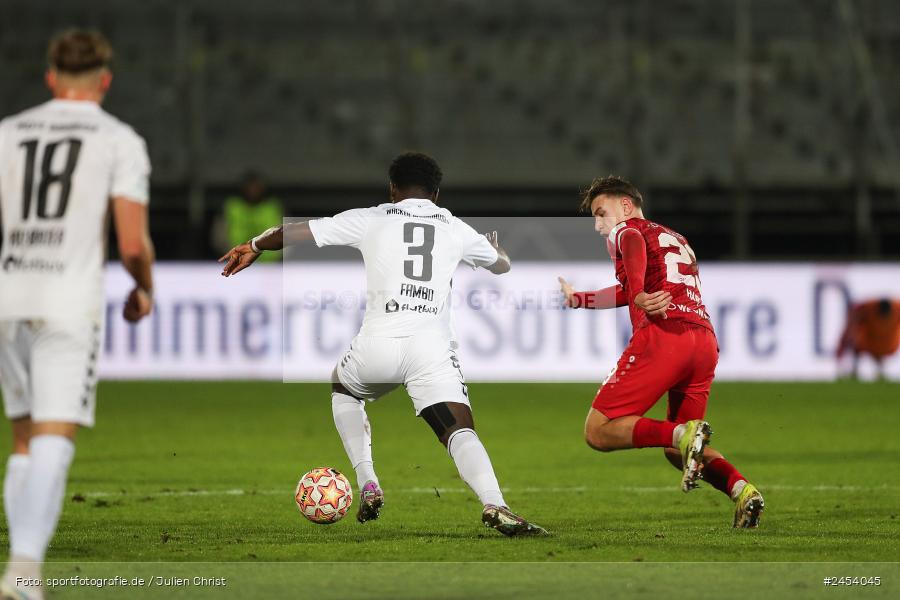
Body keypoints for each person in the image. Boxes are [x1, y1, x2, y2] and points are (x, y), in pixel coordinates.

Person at [220, 152, 545, 536]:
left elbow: (294, 231)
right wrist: (494, 246)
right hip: (431, 352)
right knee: (459, 432)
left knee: (344, 387)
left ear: (392, 189)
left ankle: (369, 481)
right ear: (436, 193)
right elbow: (502, 265)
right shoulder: (456, 227)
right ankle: (495, 503)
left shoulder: (371, 218)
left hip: (377, 346)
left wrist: (254, 245)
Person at [0, 30, 155, 598]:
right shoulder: (118, 140)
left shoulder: (8, 133)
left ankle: (22, 571)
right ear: (105, 81)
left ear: (50, 77)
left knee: (23, 439)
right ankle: (23, 573)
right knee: (54, 434)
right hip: (68, 300)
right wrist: (144, 288)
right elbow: (132, 244)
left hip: (9, 295)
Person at [558, 176, 763, 528]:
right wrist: (582, 299)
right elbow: (629, 290)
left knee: (598, 430)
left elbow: (632, 245)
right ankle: (743, 490)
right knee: (676, 451)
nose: (598, 225)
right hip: (703, 343)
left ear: (625, 205)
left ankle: (683, 434)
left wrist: (638, 291)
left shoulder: (627, 230)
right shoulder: (675, 237)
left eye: (601, 213)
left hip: (665, 337)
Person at [221, 170, 283, 262]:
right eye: (249, 187)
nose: (253, 190)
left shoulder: (272, 207)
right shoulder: (232, 206)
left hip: (270, 265)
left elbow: (287, 236)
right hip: (236, 262)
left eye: (256, 187)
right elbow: (219, 237)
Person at [836, 298, 900, 380]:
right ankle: (855, 372)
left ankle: (879, 373)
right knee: (858, 346)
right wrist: (845, 343)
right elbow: (853, 323)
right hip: (870, 342)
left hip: (888, 344)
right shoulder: (867, 308)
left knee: (878, 352)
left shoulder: (897, 308)